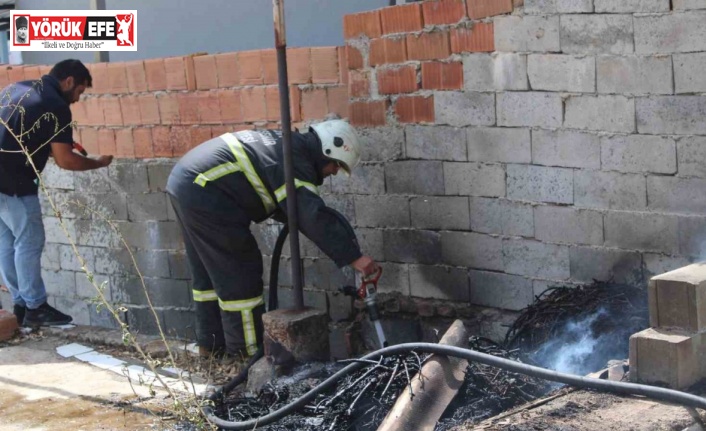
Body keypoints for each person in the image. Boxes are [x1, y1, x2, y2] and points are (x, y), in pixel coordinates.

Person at [166, 119, 380, 358]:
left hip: (188, 182)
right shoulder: (293, 160)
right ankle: (245, 358)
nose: (334, 172)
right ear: (327, 151)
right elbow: (310, 215)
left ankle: (211, 349)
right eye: (336, 165)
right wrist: (354, 257)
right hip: (205, 190)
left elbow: (292, 206)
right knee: (240, 274)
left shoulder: (288, 146)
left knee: (209, 275)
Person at [0, 59, 113, 328]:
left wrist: (46, 143)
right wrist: (99, 162)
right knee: (29, 241)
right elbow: (66, 161)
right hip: (14, 183)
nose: (76, 99)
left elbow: (16, 131)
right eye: (80, 92)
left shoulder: (14, 89)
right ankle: (36, 307)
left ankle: (20, 305)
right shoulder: (56, 106)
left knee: (6, 242)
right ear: (69, 81)